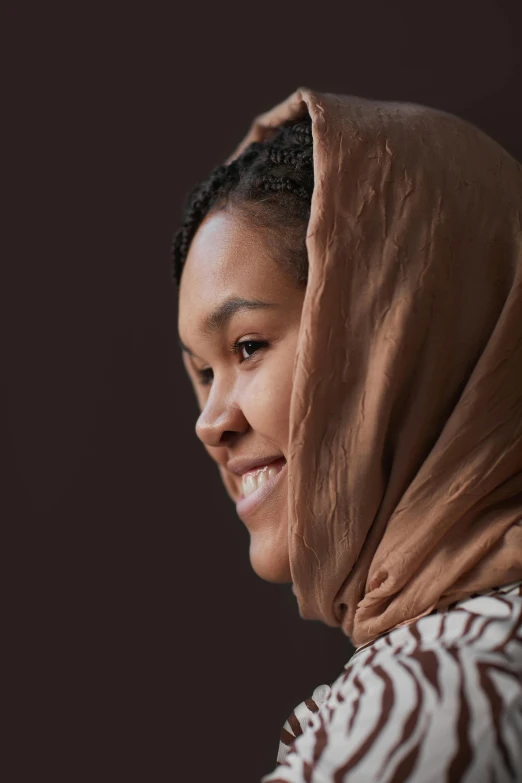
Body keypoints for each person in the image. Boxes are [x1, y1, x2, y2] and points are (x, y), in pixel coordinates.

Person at [172, 87, 522, 781]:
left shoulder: (431, 700)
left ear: (394, 335)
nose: (210, 422)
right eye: (202, 374)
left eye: (246, 346)